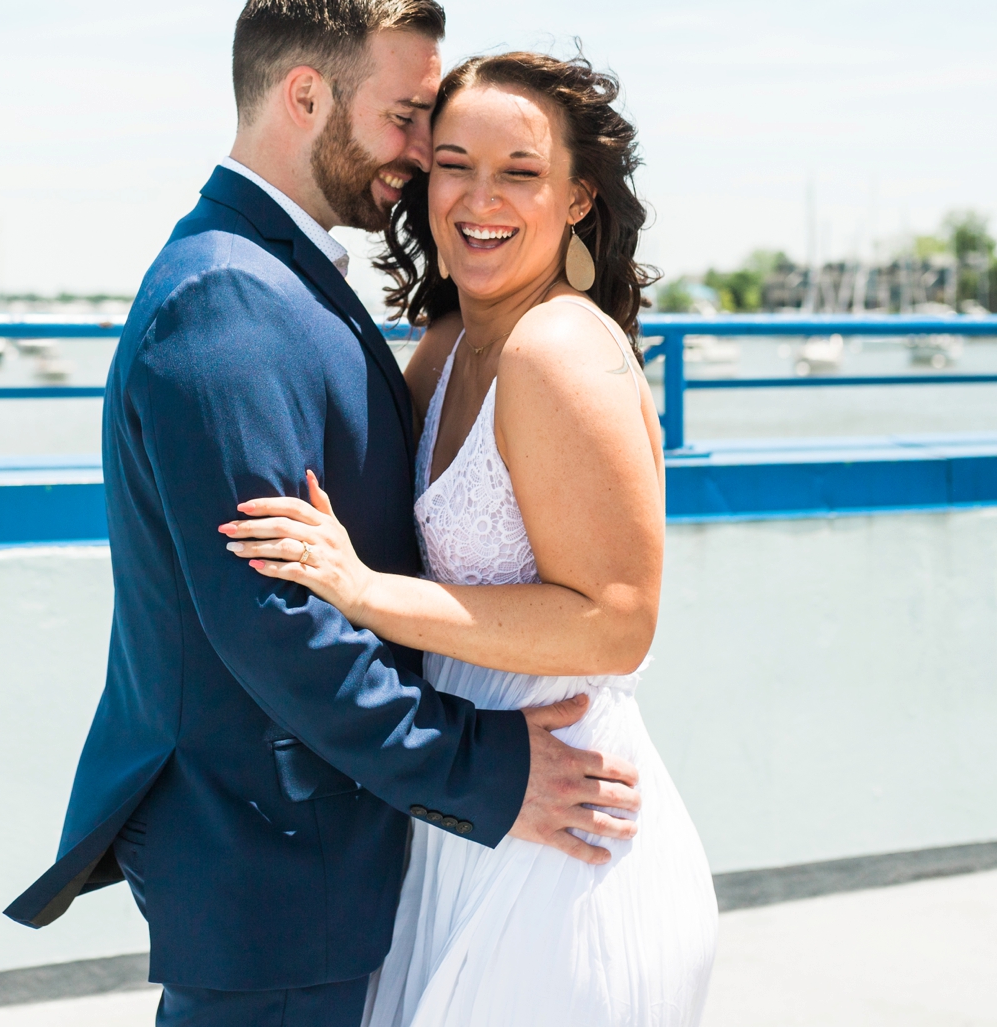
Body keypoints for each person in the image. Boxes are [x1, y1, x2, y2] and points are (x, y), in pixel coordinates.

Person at [5, 0, 645, 1027]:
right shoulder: (225, 297)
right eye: (404, 119)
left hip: (330, 844)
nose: (417, 157)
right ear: (305, 95)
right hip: (268, 847)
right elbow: (270, 620)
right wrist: (483, 774)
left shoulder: (288, 276)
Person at [220, 51, 718, 1025]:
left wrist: (361, 592)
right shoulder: (448, 344)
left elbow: (618, 625)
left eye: (520, 173)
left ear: (577, 198)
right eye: (454, 164)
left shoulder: (559, 347)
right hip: (476, 806)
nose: (478, 198)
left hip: (567, 833)